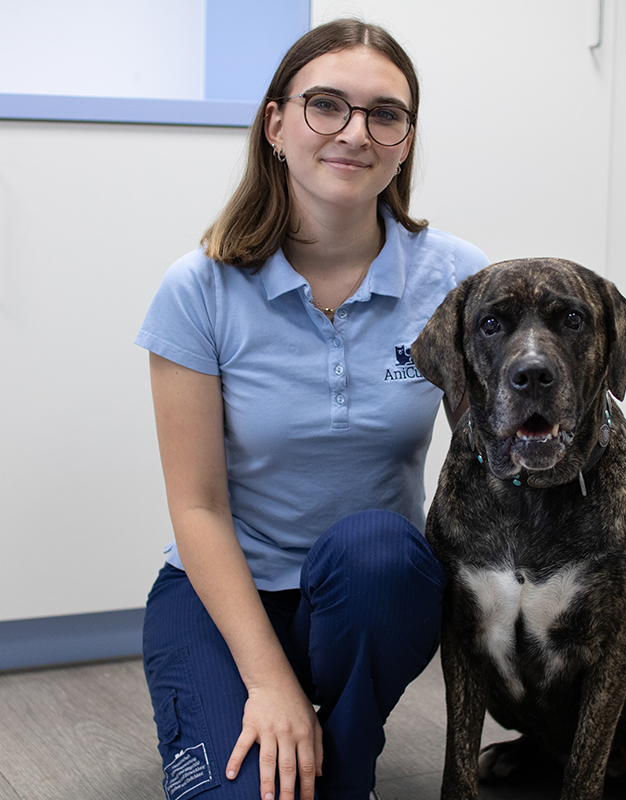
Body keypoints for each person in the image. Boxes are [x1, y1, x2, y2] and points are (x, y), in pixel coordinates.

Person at [136, 18, 488, 800]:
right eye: (326, 104)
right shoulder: (197, 288)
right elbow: (196, 506)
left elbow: (495, 462)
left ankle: (347, 754)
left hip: (369, 594)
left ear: (404, 141)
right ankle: (293, 727)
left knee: (381, 552)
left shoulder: (459, 281)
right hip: (226, 592)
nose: (354, 133)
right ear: (276, 124)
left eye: (384, 114)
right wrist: (269, 683)